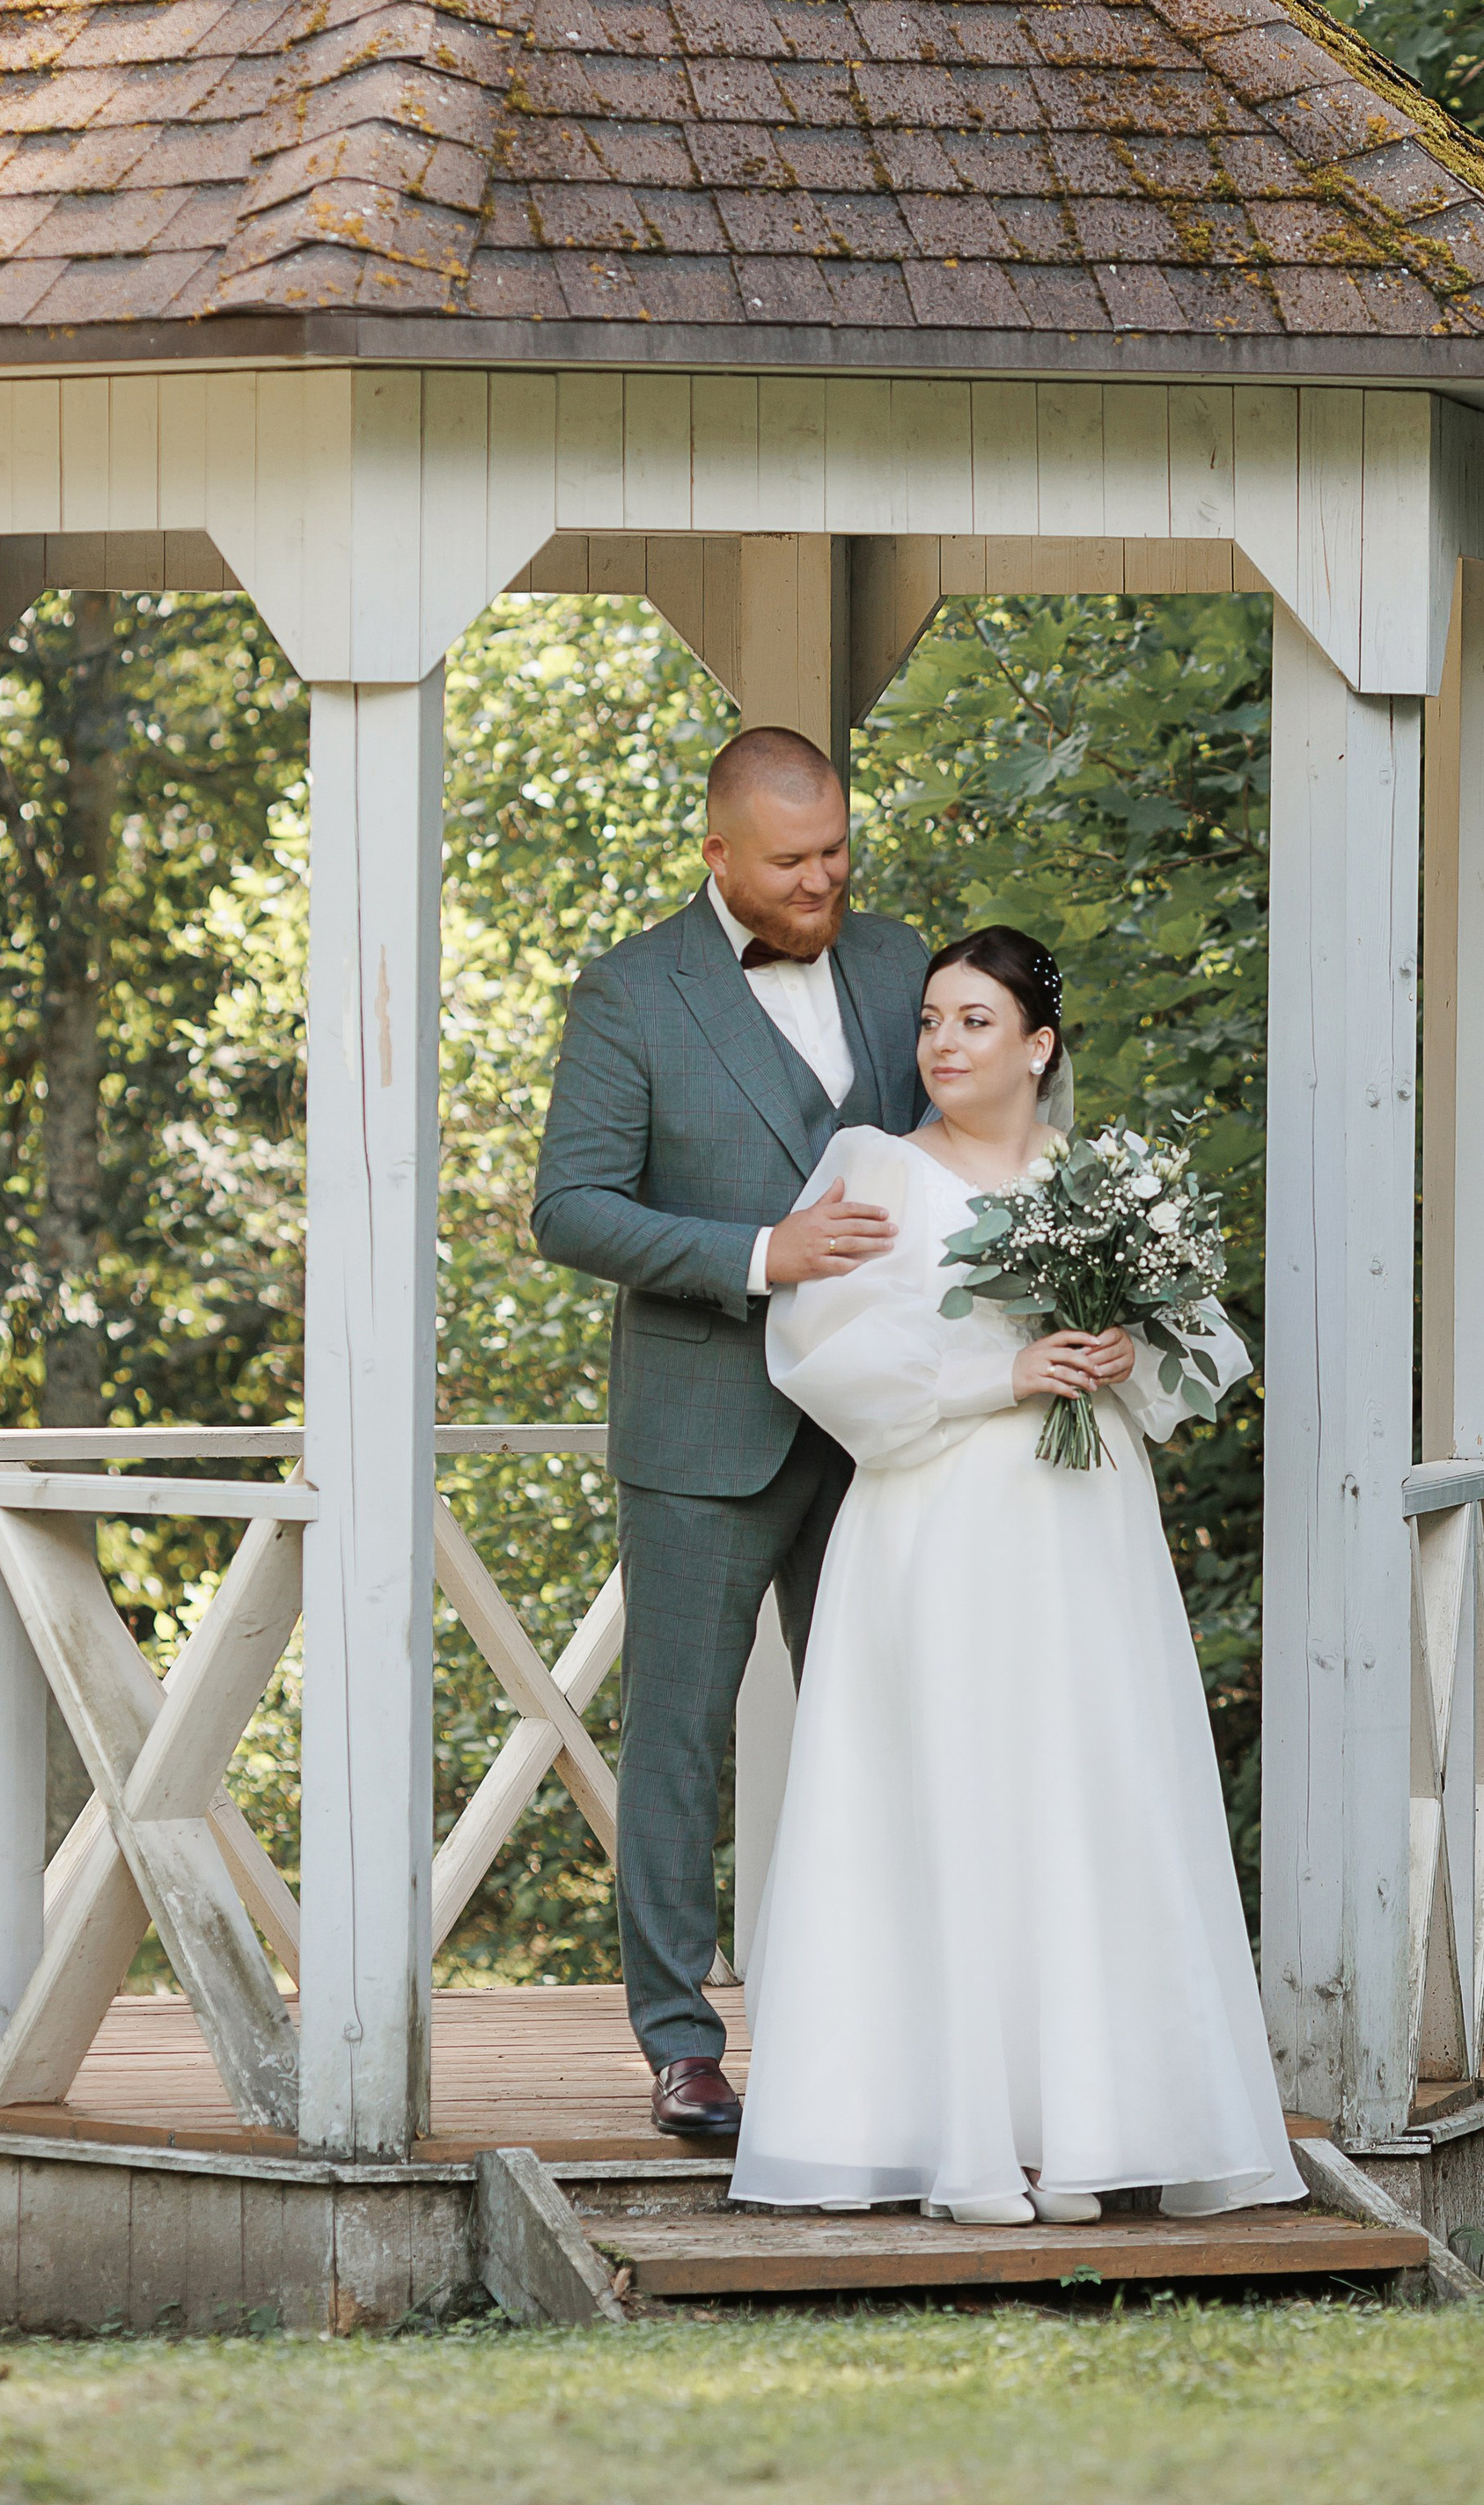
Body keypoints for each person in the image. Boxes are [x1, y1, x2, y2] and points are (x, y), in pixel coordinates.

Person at [730, 926, 1304, 2227]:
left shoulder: (1110, 1180)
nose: (942, 1043)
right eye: (931, 1020)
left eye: (975, 1022)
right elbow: (824, 1358)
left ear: (1039, 1046)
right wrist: (1005, 1372)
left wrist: (1115, 1350)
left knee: (1084, 1791)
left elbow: (1195, 1359)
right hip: (934, 1526)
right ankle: (960, 2141)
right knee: (950, 1796)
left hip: (1083, 1525)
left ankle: (1082, 2132)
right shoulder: (874, 1171)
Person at [530, 726, 930, 2139]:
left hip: (884, 1430)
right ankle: (682, 2046)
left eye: (835, 852)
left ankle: (882, 2017)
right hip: (707, 1427)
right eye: (792, 862)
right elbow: (570, 1209)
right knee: (682, 1744)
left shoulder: (900, 965)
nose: (824, 883)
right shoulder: (632, 993)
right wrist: (764, 1253)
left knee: (886, 1725)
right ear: (716, 856)